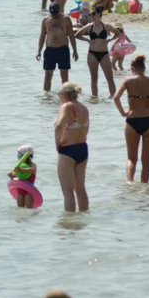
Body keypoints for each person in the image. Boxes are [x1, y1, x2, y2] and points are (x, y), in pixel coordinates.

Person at [114, 54, 149, 184]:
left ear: (132, 68)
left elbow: (116, 98)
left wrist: (123, 112)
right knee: (146, 159)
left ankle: (129, 184)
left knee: (131, 159)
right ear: (144, 68)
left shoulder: (127, 81)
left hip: (132, 119)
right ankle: (144, 187)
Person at [54, 83, 90, 212]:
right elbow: (86, 129)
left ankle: (70, 226)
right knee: (80, 189)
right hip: (82, 148)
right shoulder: (84, 108)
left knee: (67, 192)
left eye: (59, 95)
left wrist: (57, 143)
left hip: (67, 150)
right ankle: (84, 219)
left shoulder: (67, 106)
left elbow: (58, 126)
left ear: (64, 94)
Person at [38, 2, 78, 91]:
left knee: (64, 77)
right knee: (48, 76)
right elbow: (42, 35)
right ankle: (47, 98)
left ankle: (66, 96)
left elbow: (71, 35)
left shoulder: (66, 19)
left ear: (59, 11)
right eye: (53, 14)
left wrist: (75, 50)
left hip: (63, 50)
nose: (54, 16)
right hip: (50, 50)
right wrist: (39, 51)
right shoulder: (45, 20)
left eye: (56, 14)